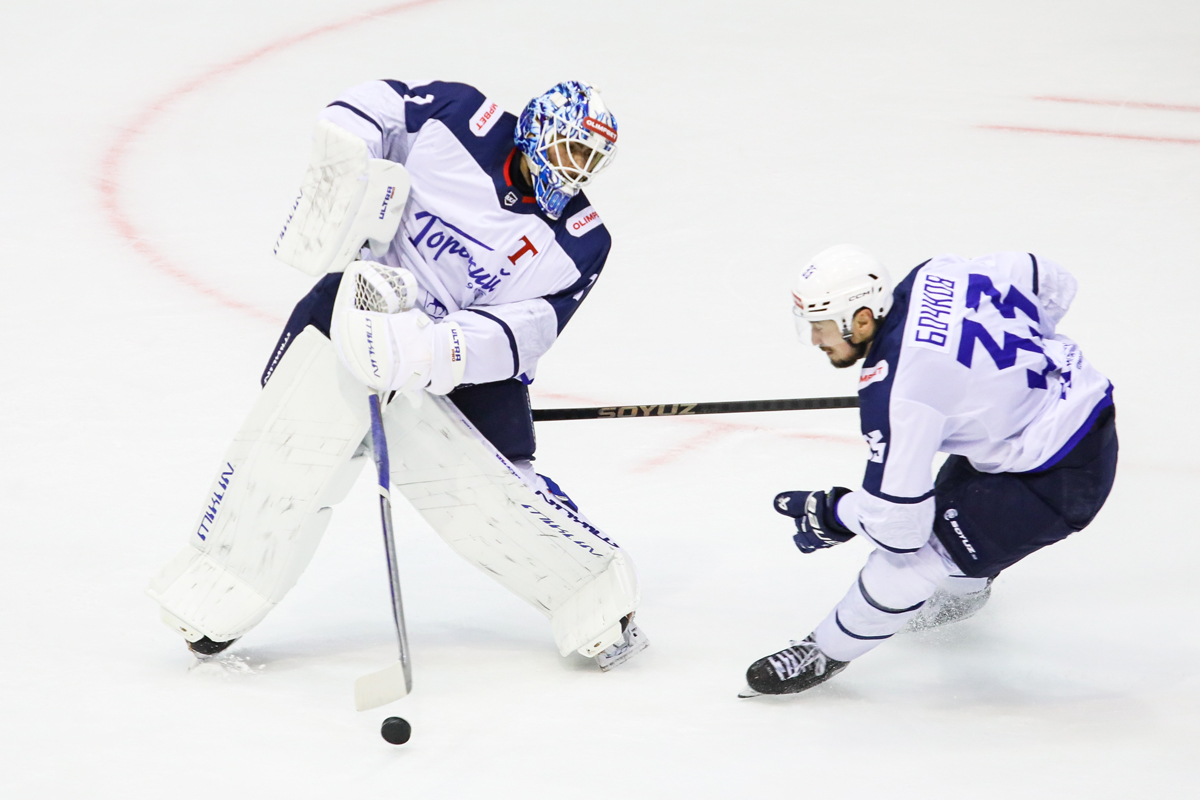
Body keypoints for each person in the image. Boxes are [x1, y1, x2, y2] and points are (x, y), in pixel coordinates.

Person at [147, 79, 648, 672]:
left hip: (463, 368)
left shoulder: (583, 242)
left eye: (591, 160)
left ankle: (593, 597)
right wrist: (348, 158)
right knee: (285, 455)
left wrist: (426, 350)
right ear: (538, 129)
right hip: (354, 307)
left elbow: (526, 332)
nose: (577, 171)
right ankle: (216, 592)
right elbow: (372, 111)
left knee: (499, 499)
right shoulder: (460, 117)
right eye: (572, 150)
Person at [741, 245, 1117, 696]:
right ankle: (968, 587)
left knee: (913, 562)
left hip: (1057, 480)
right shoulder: (937, 274)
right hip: (1066, 410)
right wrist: (1006, 375)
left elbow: (900, 530)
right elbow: (1046, 277)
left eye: (820, 326)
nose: (816, 339)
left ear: (862, 319)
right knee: (957, 520)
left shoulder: (898, 397)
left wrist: (836, 512)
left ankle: (823, 651)